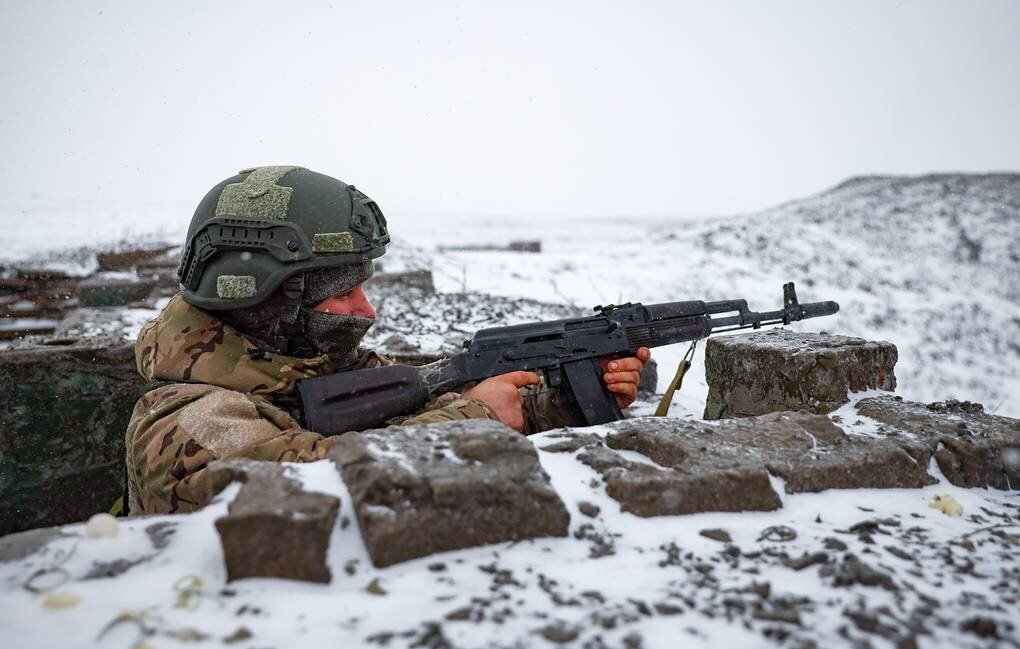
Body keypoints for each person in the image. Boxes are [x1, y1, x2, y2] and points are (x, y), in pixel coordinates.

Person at [125, 166, 651, 515]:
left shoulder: (319, 365)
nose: (366, 311)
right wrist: (477, 420)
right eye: (344, 293)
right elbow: (316, 490)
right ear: (268, 302)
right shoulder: (183, 421)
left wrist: (563, 402)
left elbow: (428, 410)